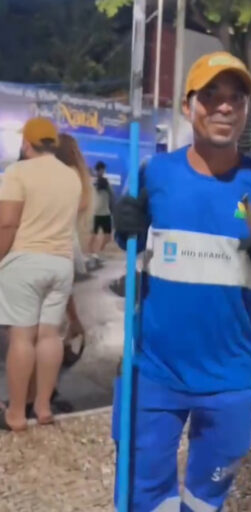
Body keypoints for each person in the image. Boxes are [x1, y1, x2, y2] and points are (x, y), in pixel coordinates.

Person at [110, 51, 251, 511]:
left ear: (247, 111)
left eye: (237, 98)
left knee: (208, 493)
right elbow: (127, 237)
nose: (224, 107)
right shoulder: (155, 173)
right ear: (188, 105)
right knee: (144, 492)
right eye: (211, 96)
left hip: (229, 377)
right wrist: (123, 224)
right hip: (154, 371)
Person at [0, 117, 81, 431]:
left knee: (22, 337)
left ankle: (16, 413)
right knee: (49, 336)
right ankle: (43, 407)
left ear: (26, 143)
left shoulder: (18, 172)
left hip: (25, 261)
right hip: (61, 265)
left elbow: (7, 222)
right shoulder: (72, 177)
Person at [54, 133, 92, 368]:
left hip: (53, 244)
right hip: (66, 244)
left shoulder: (60, 175)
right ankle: (73, 328)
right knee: (60, 300)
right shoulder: (78, 176)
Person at [87, 161, 114, 264]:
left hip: (105, 212)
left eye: (103, 170)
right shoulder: (96, 181)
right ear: (98, 170)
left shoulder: (105, 182)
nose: (102, 172)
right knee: (94, 234)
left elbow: (111, 195)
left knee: (107, 236)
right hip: (97, 213)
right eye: (101, 170)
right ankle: (91, 253)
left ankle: (98, 252)